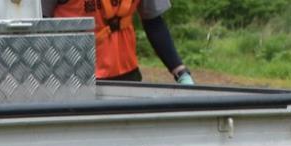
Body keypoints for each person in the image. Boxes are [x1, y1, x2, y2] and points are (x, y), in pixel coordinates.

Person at [48, 0, 195, 84]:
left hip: (126, 73)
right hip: (74, 76)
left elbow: (153, 21)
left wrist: (179, 71)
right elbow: (37, 22)